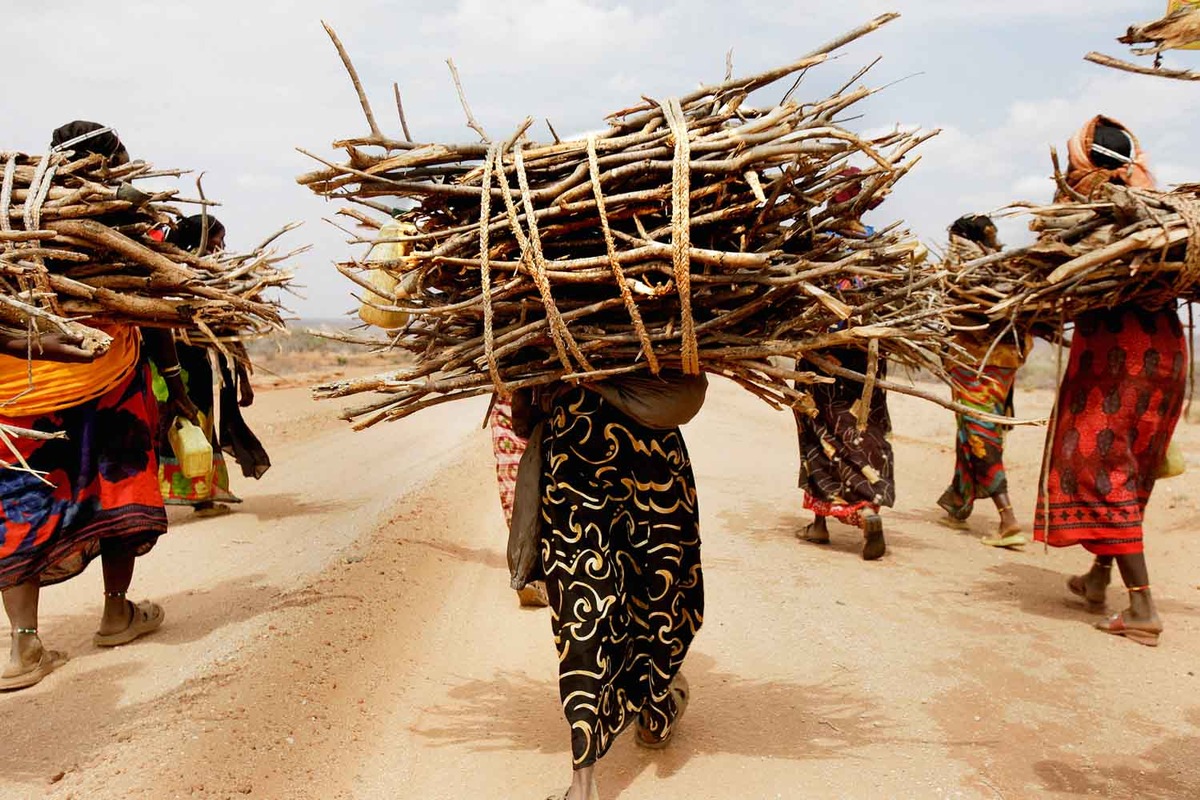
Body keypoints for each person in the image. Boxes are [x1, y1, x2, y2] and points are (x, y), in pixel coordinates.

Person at [0, 123, 198, 691]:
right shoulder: (130, 222)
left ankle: (24, 645)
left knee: (21, 505)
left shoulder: (11, 219)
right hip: (109, 381)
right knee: (117, 488)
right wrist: (173, 380)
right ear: (110, 162)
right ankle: (116, 613)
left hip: (22, 392)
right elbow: (150, 311)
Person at [507, 375, 706, 800]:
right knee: (658, 588)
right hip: (652, 448)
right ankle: (655, 711)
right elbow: (690, 380)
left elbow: (520, 397)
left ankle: (583, 785)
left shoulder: (544, 314)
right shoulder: (670, 316)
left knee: (583, 607)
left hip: (575, 444)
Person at [1034, 115, 1183, 646]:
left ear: (1082, 162)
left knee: (1097, 463)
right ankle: (1097, 579)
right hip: (1164, 352)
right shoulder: (1159, 209)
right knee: (1129, 461)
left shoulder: (1096, 211)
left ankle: (1142, 608)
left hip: (1118, 355)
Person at [795, 167, 893, 561]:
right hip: (869, 355)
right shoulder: (879, 244)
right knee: (865, 427)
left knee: (819, 427)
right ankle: (867, 507)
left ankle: (821, 522)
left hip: (823, 350)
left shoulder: (817, 241)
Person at [153, 215, 270, 516]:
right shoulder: (175, 273)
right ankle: (197, 496)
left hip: (182, 364)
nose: (222, 248)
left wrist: (242, 377)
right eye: (218, 240)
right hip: (178, 365)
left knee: (183, 426)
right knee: (181, 424)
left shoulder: (202, 276)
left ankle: (191, 494)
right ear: (200, 239)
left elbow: (228, 332)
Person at [937, 215, 1030, 547]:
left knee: (979, 430)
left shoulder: (963, 267)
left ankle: (1007, 518)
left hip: (972, 361)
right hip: (1003, 363)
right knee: (975, 425)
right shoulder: (1007, 270)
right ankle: (957, 500)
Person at [486, 395, 547, 607]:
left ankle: (537, 568)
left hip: (549, 395)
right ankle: (529, 571)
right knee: (515, 484)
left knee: (544, 483)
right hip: (513, 401)